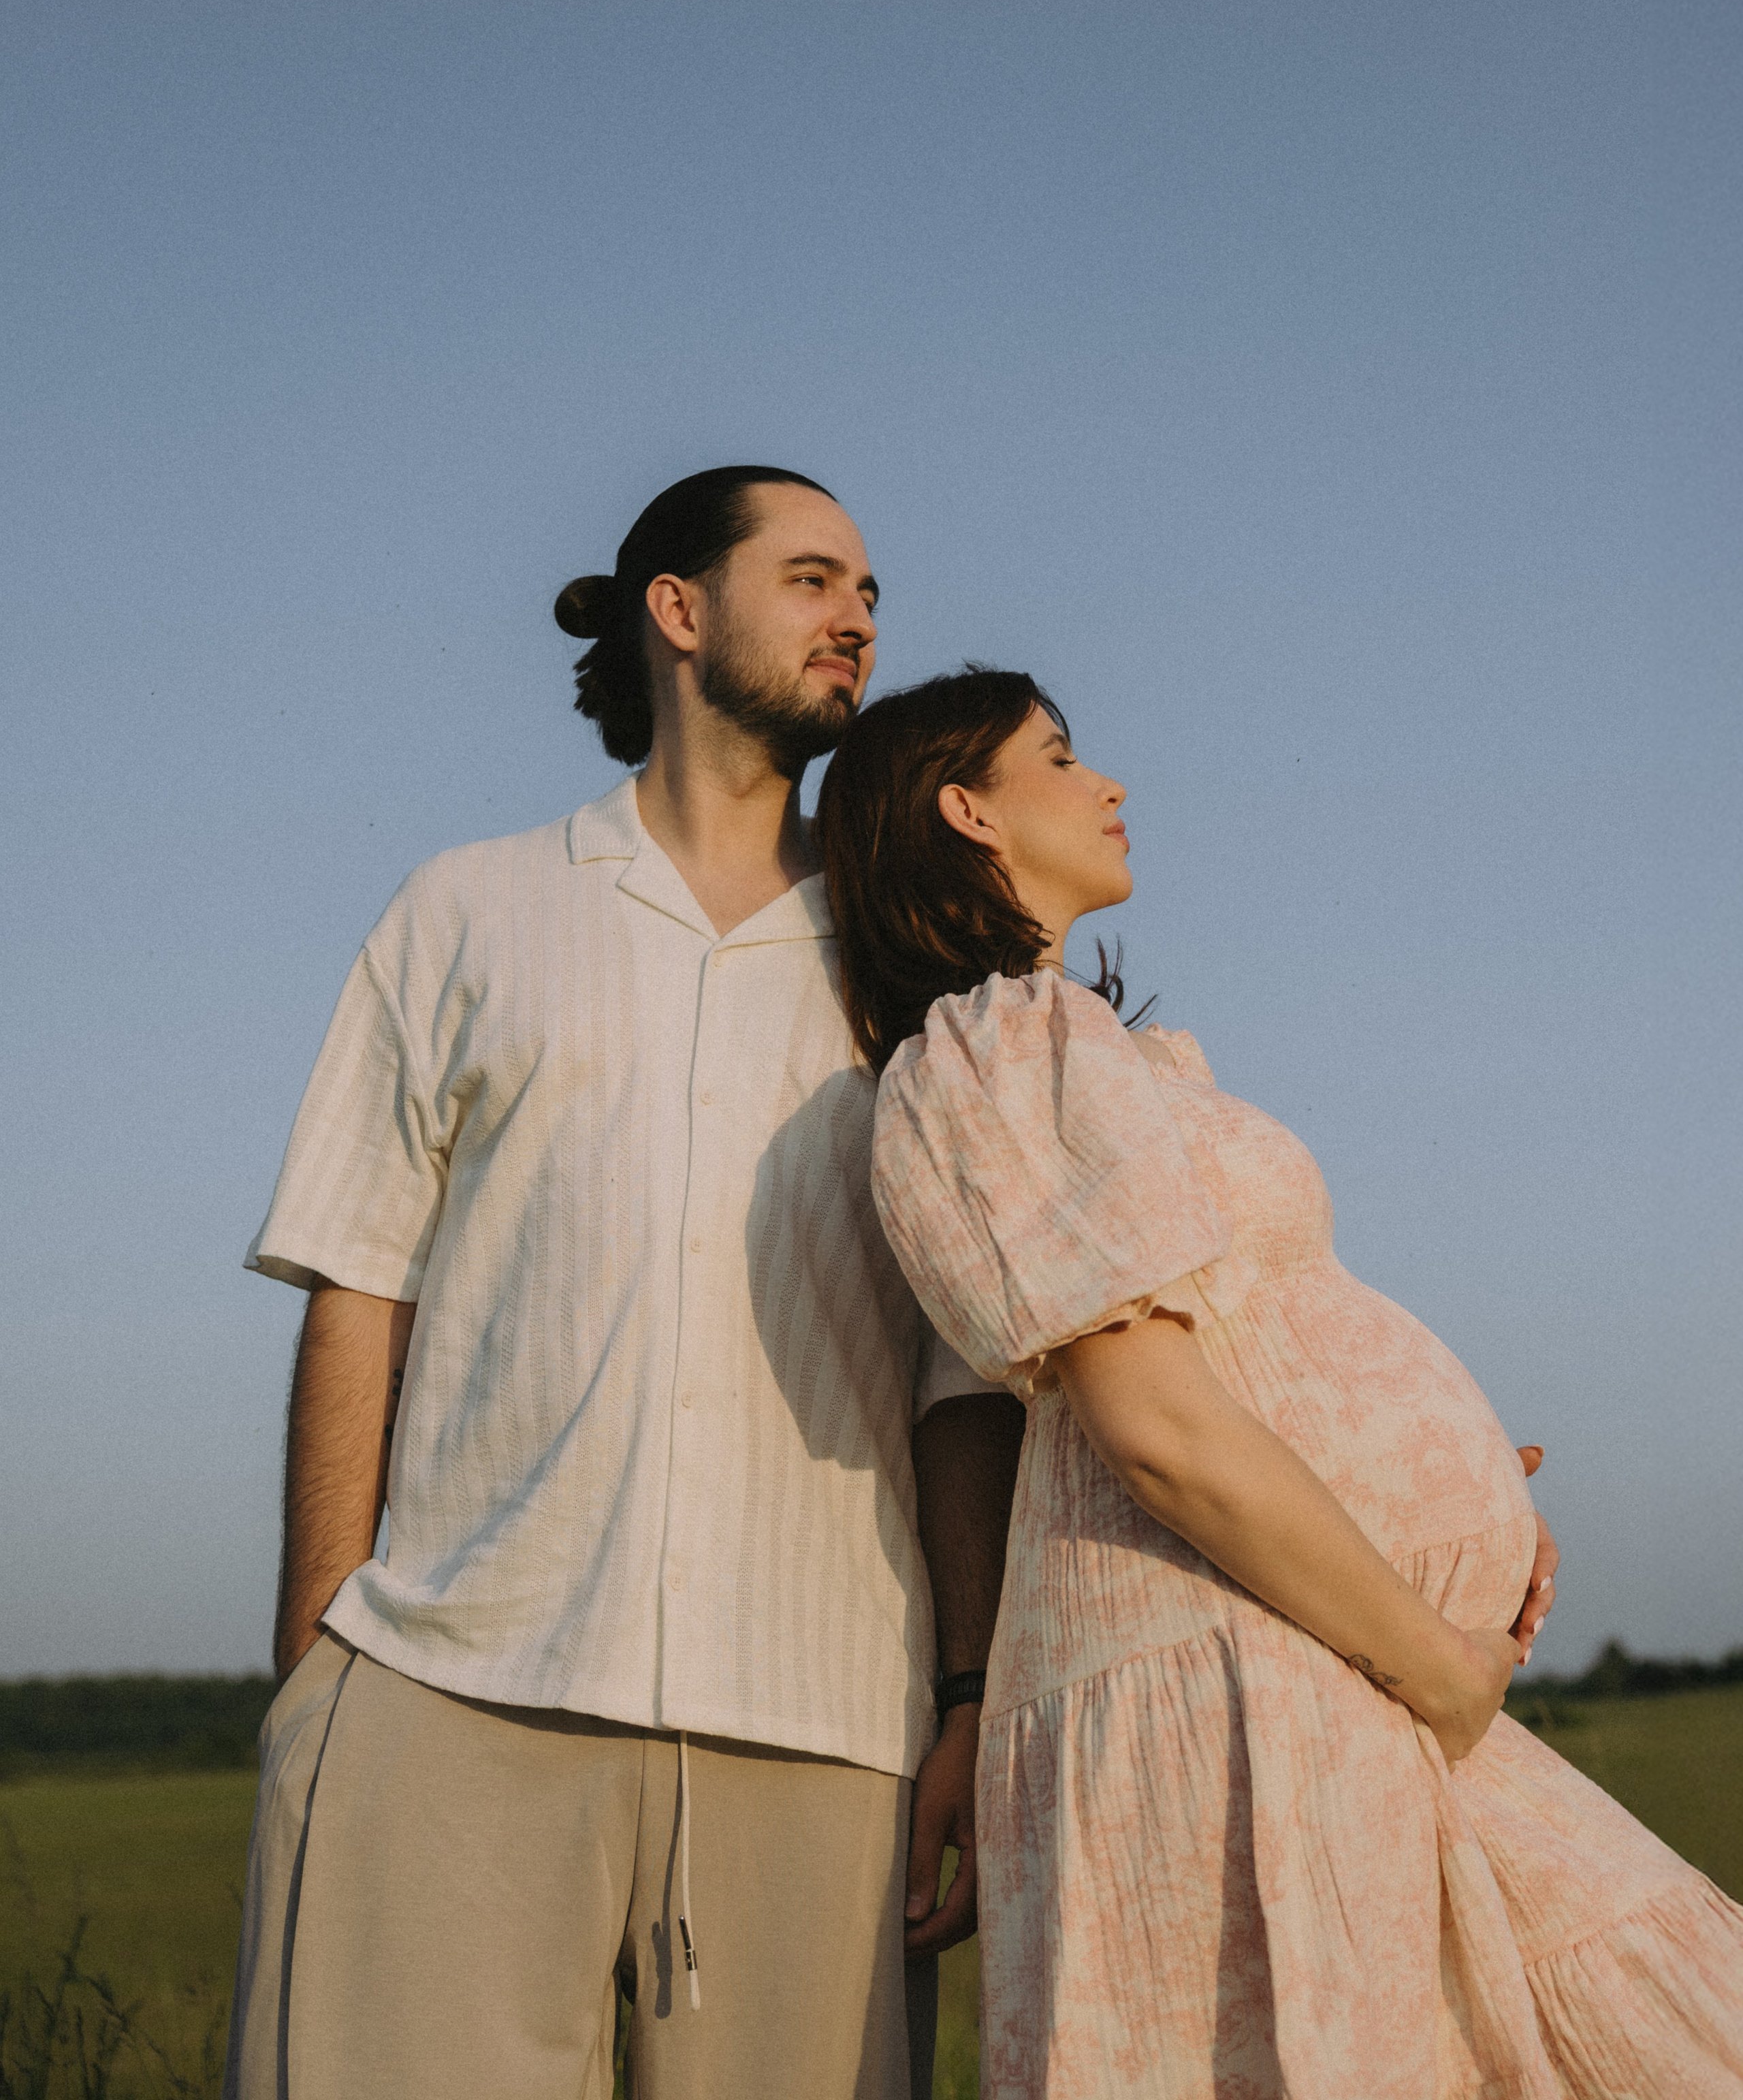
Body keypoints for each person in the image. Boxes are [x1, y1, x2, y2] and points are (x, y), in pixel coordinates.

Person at [815, 665, 1743, 2100]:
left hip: (1312, 1648)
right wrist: (1431, 1653)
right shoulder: (995, 1049)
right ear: (967, 809)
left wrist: (1448, 1481)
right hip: (1228, 1663)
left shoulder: (1103, 1057)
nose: (1108, 782)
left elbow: (1244, 1352)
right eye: (1060, 757)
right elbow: (1152, 1423)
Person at [223, 472, 1025, 2100]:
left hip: (822, 1726)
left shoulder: (913, 956)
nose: (857, 617)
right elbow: (356, 1282)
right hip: (457, 1694)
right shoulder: (466, 908)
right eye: (810, 578)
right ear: (676, 607)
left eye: (868, 589)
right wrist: (319, 1671)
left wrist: (962, 1692)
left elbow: (964, 1378)